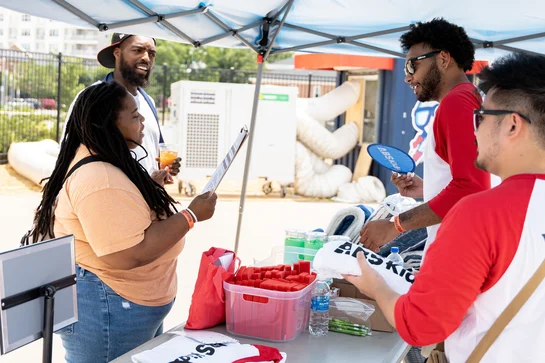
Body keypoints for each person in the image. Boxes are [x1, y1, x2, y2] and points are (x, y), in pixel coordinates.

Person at [345, 52, 545, 362]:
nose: (474, 129)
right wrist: (429, 190)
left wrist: (375, 286)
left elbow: (421, 326)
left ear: (512, 125)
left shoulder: (481, 214)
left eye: (481, 117)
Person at [30, 81, 217, 363]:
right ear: (109, 123)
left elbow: (121, 210)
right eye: (134, 115)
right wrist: (191, 215)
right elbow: (129, 253)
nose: (143, 120)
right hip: (112, 309)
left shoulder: (107, 162)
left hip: (125, 307)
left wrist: (149, 186)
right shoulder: (99, 178)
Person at [360, 18, 490, 254]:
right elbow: (475, 180)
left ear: (443, 59)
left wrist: (395, 225)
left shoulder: (457, 103)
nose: (408, 77)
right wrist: (428, 188)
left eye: (412, 66)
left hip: (460, 252)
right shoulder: (469, 98)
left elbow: (472, 187)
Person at [62, 33, 180, 184]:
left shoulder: (148, 101)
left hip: (145, 200)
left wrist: (164, 168)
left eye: (151, 54)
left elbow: (150, 154)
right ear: (117, 53)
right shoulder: (92, 99)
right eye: (137, 50)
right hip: (109, 195)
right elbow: (69, 155)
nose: (146, 58)